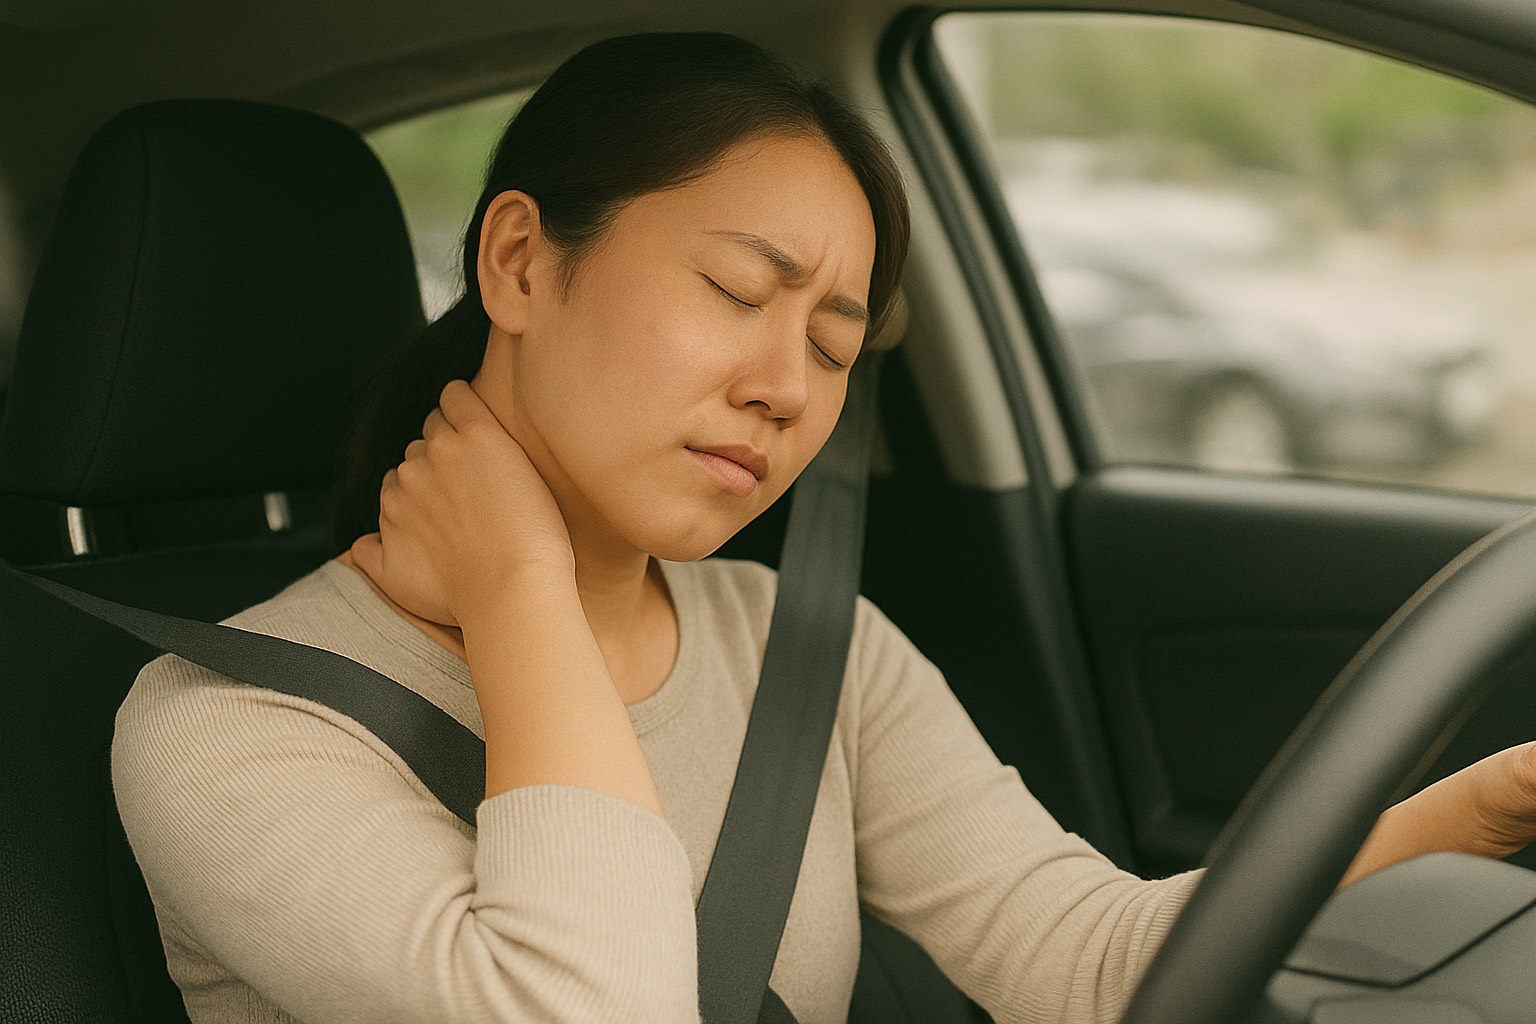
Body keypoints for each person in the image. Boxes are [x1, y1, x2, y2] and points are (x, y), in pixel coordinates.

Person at [111, 30, 1536, 1024]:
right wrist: (523, 587)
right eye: (739, 290)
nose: (786, 388)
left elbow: (1091, 968)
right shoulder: (227, 726)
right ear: (519, 261)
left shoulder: (810, 650)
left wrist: (1474, 816)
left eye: (837, 342)